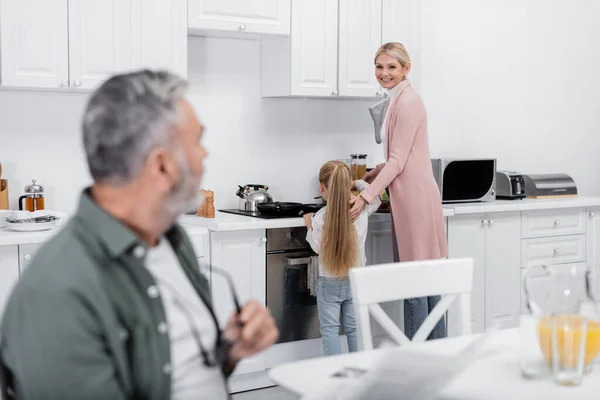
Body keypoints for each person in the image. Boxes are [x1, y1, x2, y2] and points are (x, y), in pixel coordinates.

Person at [0, 70, 278, 400]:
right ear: (162, 166)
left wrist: (231, 349)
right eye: (198, 142)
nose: (205, 155)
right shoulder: (54, 293)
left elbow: (183, 373)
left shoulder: (172, 240)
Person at [349, 43, 449, 340]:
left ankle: (418, 358)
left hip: (415, 201)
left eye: (392, 67)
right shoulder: (399, 99)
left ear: (406, 68)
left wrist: (366, 195)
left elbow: (398, 161)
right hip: (411, 198)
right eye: (379, 66)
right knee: (427, 283)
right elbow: (405, 157)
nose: (384, 73)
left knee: (415, 282)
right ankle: (437, 355)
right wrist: (377, 172)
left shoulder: (407, 103)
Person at [304, 160, 381, 356]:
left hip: (329, 281)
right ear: (348, 184)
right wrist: (359, 184)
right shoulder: (361, 208)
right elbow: (377, 198)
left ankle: (334, 375)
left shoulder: (320, 217)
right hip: (355, 279)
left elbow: (317, 247)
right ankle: (358, 370)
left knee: (330, 330)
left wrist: (309, 226)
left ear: (322, 187)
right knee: (354, 328)